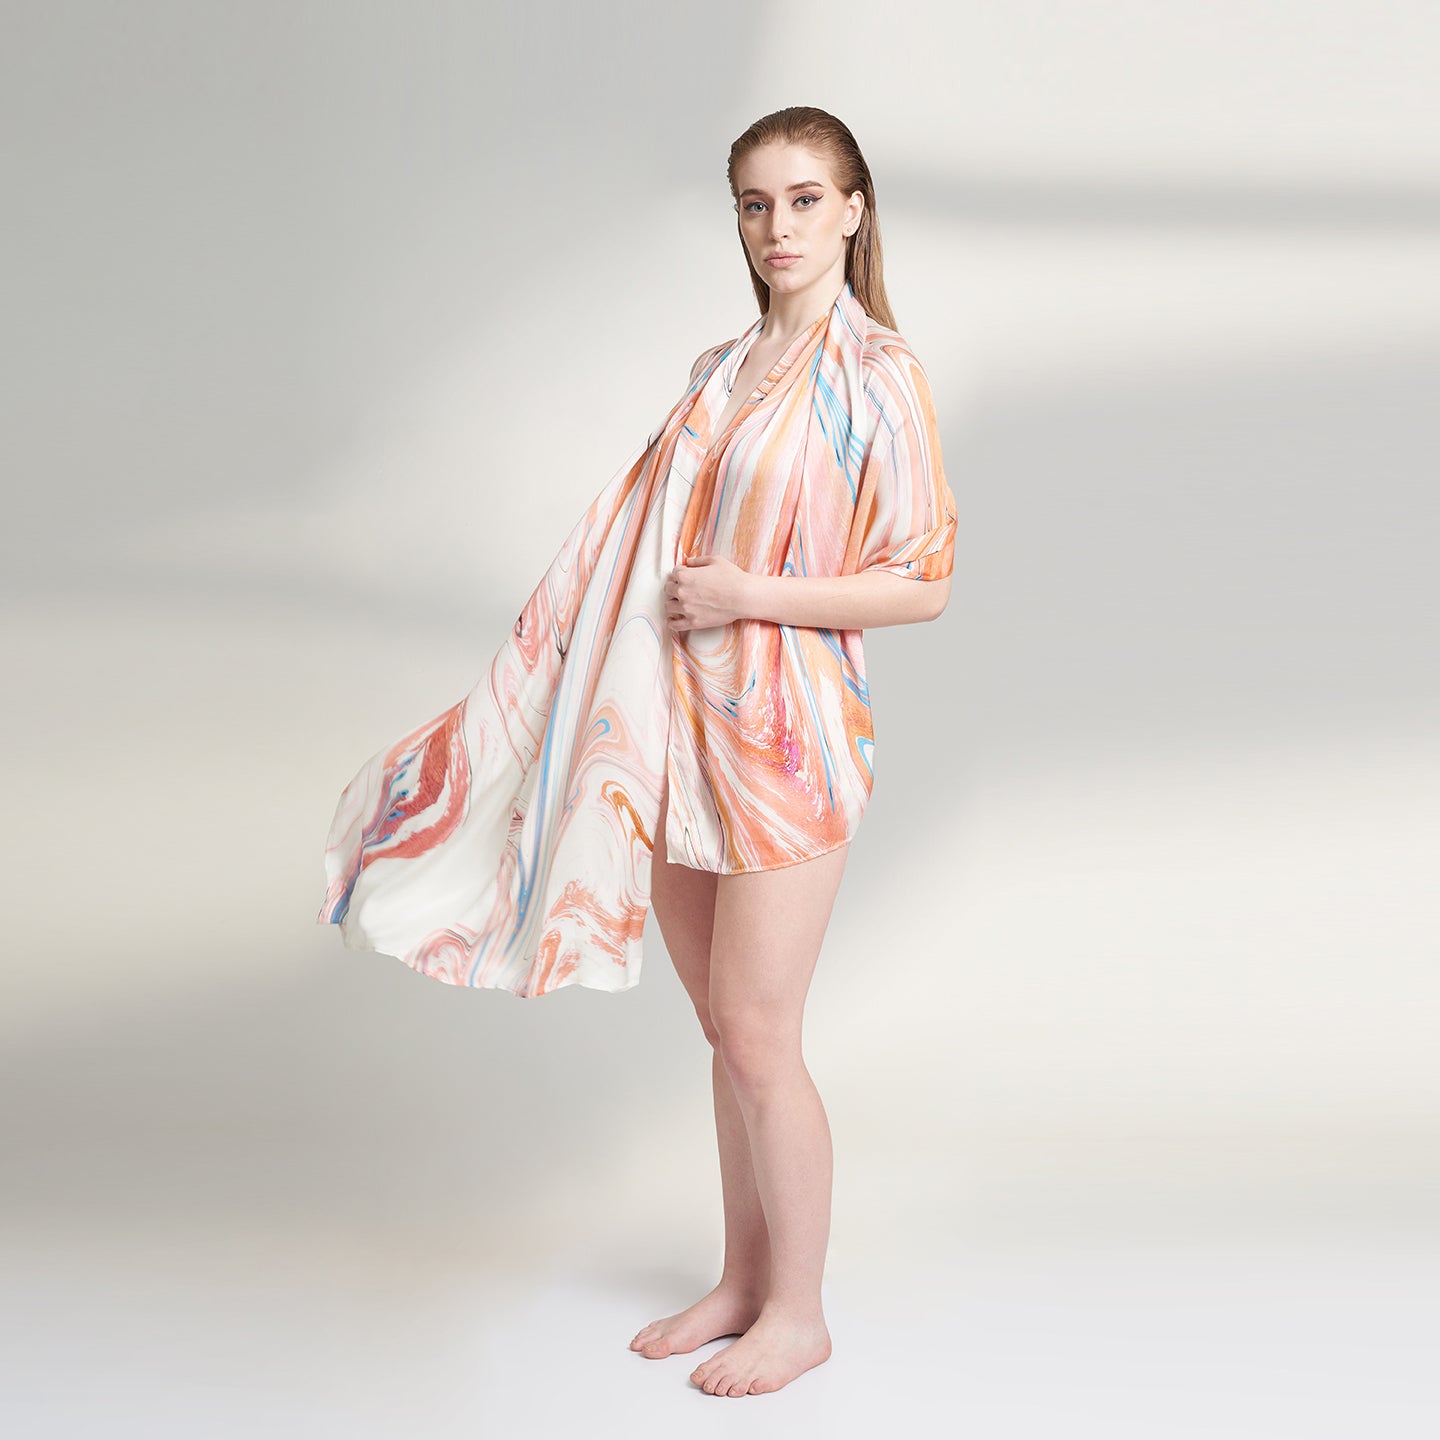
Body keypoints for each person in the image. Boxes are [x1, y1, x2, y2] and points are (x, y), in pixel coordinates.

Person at [316, 105, 955, 1398]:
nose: (779, 227)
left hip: (788, 744)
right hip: (671, 734)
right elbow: (640, 548)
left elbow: (924, 582)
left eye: (805, 199)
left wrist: (748, 597)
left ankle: (801, 1314)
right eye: (756, 203)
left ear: (854, 211)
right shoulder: (719, 370)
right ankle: (741, 1282)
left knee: (761, 1033)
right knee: (724, 1029)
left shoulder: (877, 375)